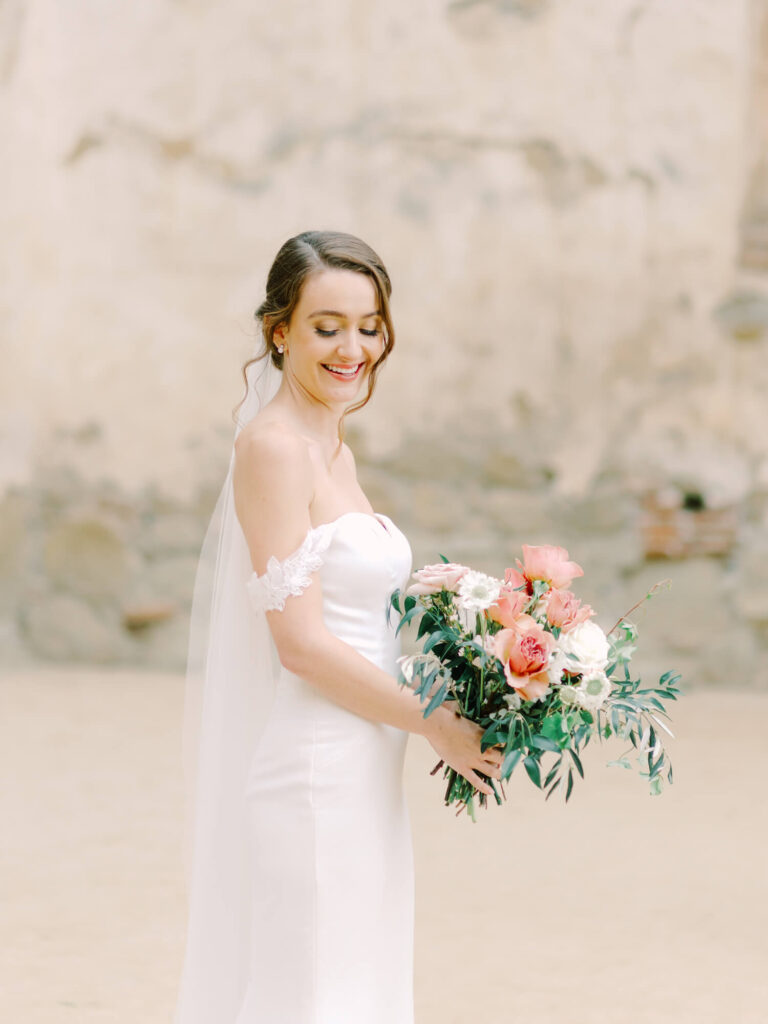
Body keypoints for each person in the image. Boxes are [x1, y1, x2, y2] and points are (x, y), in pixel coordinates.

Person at [173, 230, 503, 1024]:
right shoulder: (274, 450)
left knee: (361, 985)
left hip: (366, 771)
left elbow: (362, 618)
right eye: (327, 326)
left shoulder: (334, 448)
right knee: (314, 995)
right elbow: (301, 645)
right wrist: (440, 729)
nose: (353, 347)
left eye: (369, 324)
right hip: (315, 772)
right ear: (279, 330)